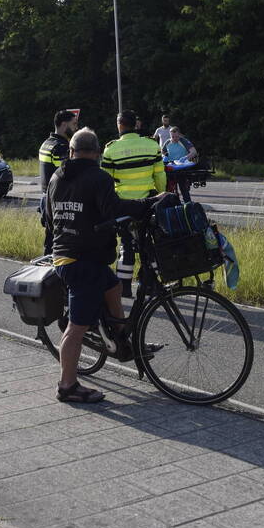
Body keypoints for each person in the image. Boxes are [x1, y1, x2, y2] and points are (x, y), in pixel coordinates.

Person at [45, 127, 163, 403]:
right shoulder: (99, 177)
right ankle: (67, 386)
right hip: (81, 263)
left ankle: (123, 341)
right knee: (77, 327)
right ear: (97, 153)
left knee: (112, 289)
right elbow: (115, 209)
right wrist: (148, 203)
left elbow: (50, 219)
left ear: (71, 152)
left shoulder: (57, 177)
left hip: (67, 256)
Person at [101, 110, 166, 297]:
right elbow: (160, 175)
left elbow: (106, 181)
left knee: (126, 245)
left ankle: (125, 287)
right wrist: (159, 195)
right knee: (148, 244)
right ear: (136, 125)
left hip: (123, 206)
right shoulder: (151, 145)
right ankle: (152, 284)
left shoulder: (111, 150)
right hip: (147, 204)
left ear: (119, 125)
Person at [38, 110, 78, 255]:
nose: (76, 128)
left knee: (49, 242)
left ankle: (46, 273)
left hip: (46, 199)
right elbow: (67, 176)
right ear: (63, 124)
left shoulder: (46, 143)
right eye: (73, 124)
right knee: (61, 244)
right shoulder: (61, 148)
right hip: (59, 202)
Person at [163, 126, 198, 203]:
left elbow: (194, 152)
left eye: (176, 136)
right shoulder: (167, 142)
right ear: (170, 135)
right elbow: (163, 153)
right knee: (168, 188)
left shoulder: (184, 141)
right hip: (171, 167)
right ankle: (171, 205)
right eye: (173, 136)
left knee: (183, 188)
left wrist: (186, 157)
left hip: (182, 167)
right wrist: (165, 157)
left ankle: (188, 205)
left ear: (179, 135)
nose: (175, 138)